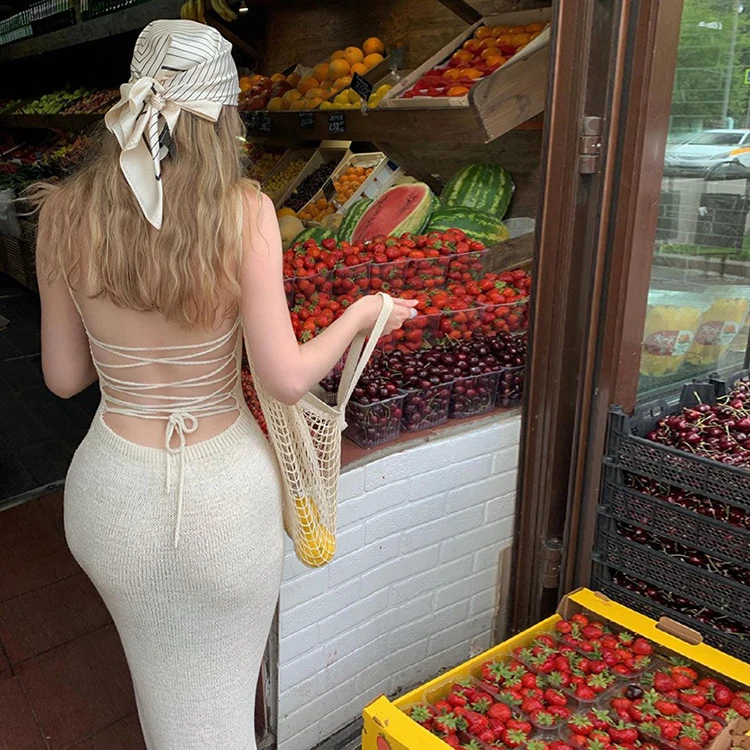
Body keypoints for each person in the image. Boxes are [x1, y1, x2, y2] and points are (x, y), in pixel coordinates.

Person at [27, 20, 416, 750]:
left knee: (163, 701)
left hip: (111, 496)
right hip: (223, 501)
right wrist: (364, 313)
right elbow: (286, 378)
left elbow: (65, 377)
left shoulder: (61, 213)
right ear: (221, 114)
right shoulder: (246, 212)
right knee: (221, 713)